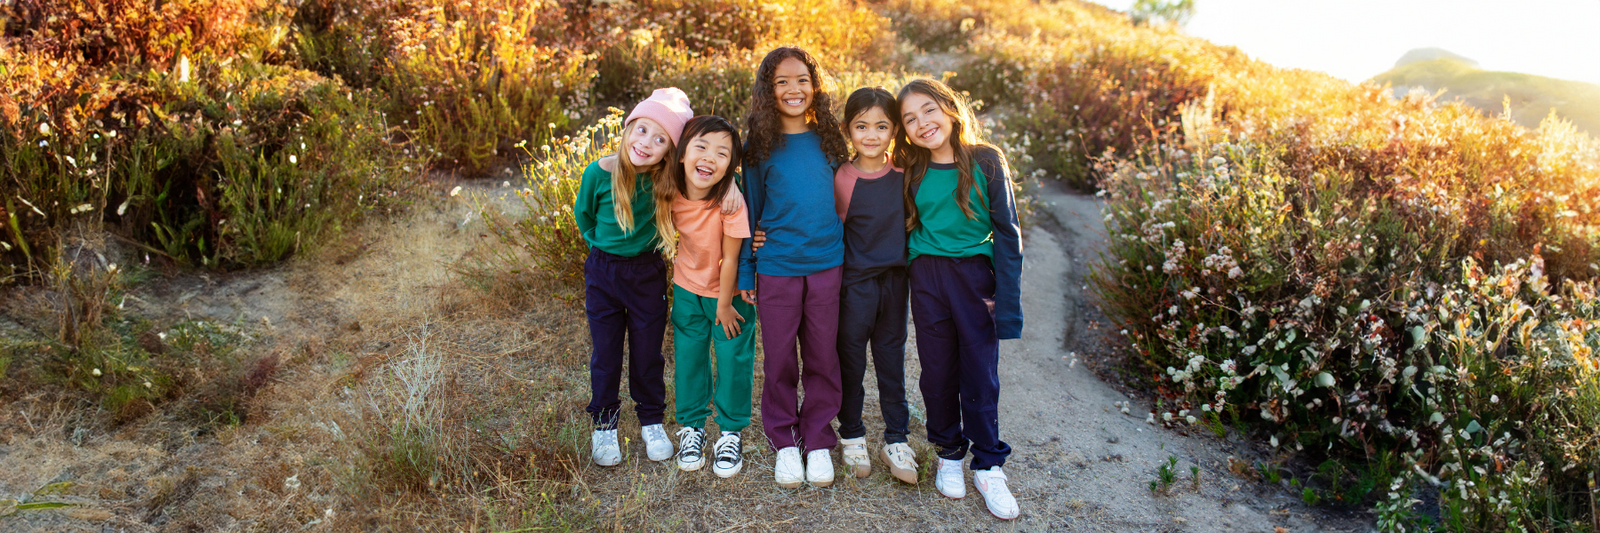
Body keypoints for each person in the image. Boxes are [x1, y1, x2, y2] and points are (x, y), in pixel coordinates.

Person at [895, 78, 1024, 519]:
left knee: (979, 373)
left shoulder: (985, 161)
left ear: (949, 109)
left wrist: (1008, 307)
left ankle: (988, 464)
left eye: (928, 110)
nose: (922, 123)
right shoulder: (910, 167)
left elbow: (1008, 234)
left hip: (974, 278)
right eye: (910, 119)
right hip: (927, 277)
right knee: (936, 372)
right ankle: (949, 452)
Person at [737, 46, 851, 488]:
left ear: (815, 84)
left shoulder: (831, 139)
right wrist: (748, 271)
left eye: (802, 79)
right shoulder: (759, 147)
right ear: (768, 89)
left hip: (826, 264)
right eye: (781, 81)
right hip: (777, 267)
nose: (793, 89)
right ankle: (784, 439)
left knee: (823, 354)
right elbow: (750, 214)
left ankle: (818, 439)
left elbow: (847, 198)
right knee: (781, 356)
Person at [573, 88, 693, 466]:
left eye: (660, 139)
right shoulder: (599, 172)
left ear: (669, 151)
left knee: (647, 353)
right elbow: (584, 216)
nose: (647, 143)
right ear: (627, 128)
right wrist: (599, 246)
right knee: (606, 353)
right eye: (641, 130)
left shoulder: (666, 180)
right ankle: (605, 425)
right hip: (604, 271)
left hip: (647, 274)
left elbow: (709, 183)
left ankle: (651, 421)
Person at [652, 115, 757, 478]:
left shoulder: (731, 202)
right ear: (681, 154)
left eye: (722, 153)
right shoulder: (670, 190)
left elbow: (731, 257)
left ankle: (729, 432)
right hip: (686, 289)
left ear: (732, 165)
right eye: (701, 147)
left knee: (732, 359)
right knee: (690, 357)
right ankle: (692, 428)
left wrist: (726, 304)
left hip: (727, 295)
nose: (710, 158)